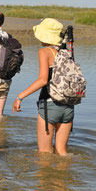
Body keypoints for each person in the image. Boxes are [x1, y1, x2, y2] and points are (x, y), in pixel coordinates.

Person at [12, 18, 74, 156]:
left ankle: (45, 178)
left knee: (44, 154)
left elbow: (42, 80)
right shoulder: (67, 53)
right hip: (68, 106)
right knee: (62, 152)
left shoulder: (45, 52)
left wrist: (19, 97)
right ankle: (65, 176)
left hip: (49, 106)